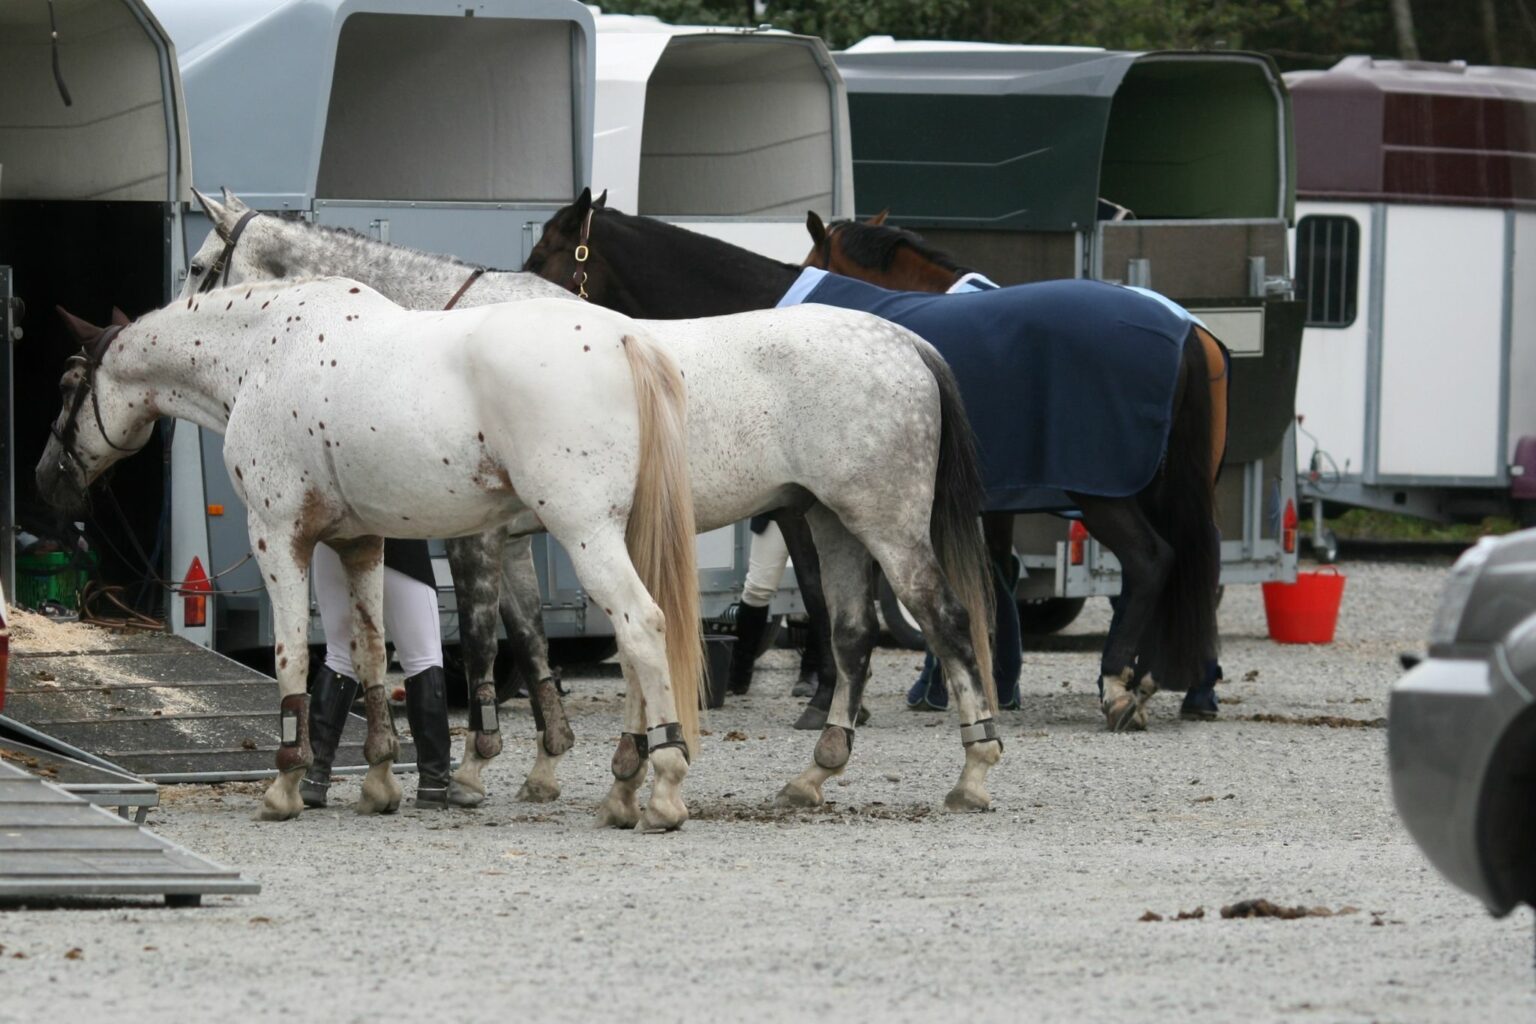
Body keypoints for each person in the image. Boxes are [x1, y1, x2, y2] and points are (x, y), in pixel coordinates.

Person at [301, 538, 479, 809]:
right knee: (423, 657)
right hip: (397, 545)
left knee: (340, 655)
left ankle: (314, 777)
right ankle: (434, 782)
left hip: (332, 544)